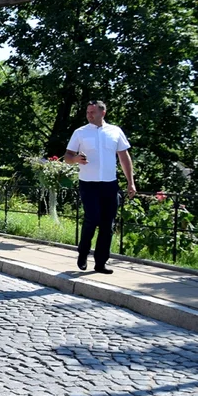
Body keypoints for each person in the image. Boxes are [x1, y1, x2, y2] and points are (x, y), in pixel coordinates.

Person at [65, 100, 136, 274]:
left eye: (92, 112)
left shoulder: (115, 131)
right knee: (92, 218)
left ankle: (101, 263)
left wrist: (130, 182)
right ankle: (83, 253)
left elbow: (124, 157)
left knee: (107, 224)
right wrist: (74, 160)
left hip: (110, 184)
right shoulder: (80, 132)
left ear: (102, 113)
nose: (89, 115)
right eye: (88, 112)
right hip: (88, 184)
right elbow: (67, 156)